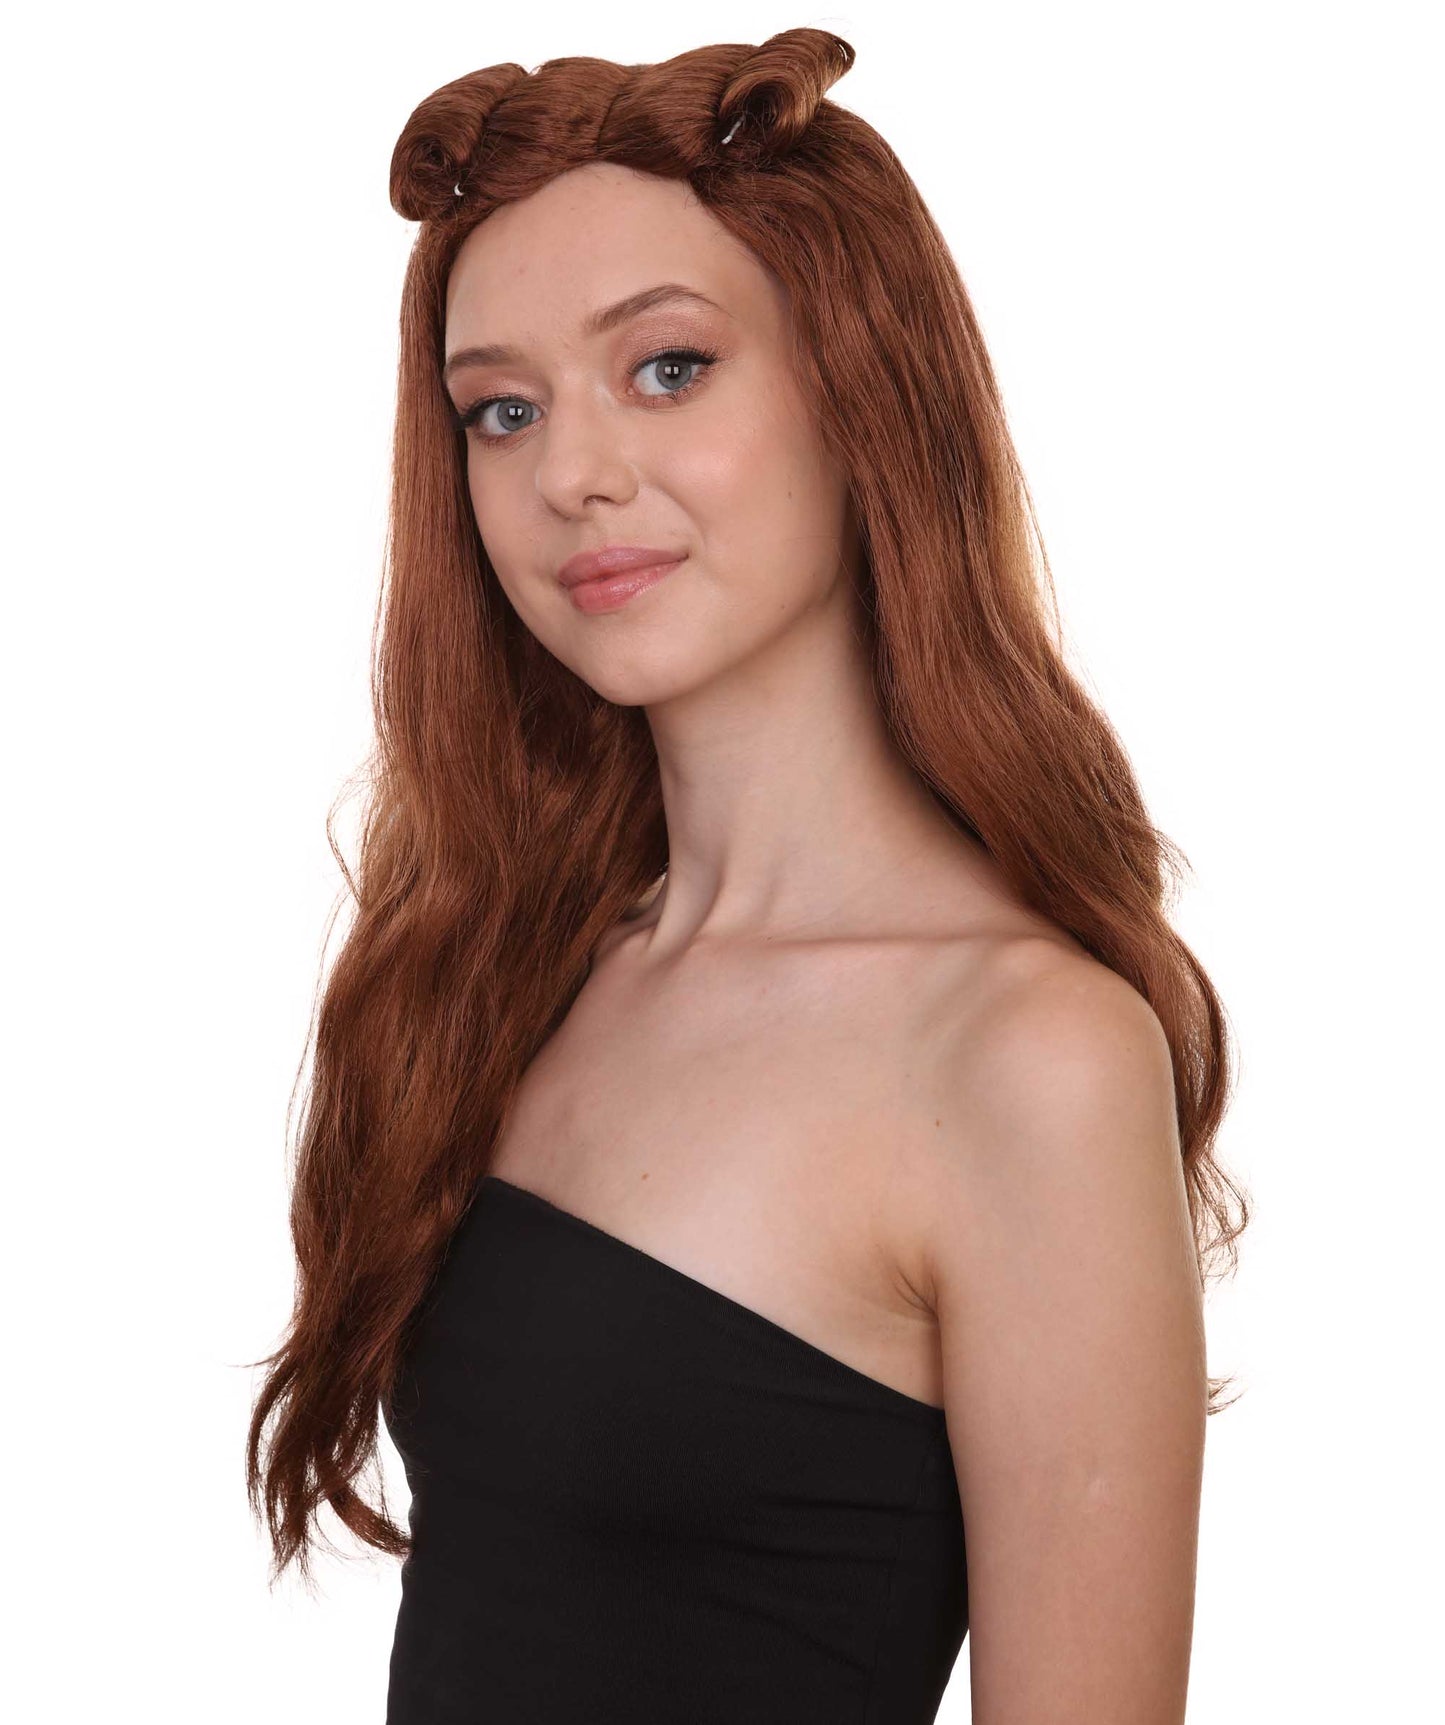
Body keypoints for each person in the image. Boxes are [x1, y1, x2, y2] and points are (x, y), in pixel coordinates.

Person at [246, 27, 1250, 1723]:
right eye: (502, 409)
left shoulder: (1029, 1058)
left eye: (667, 367)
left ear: (864, 390)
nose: (571, 474)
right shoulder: (515, 970)